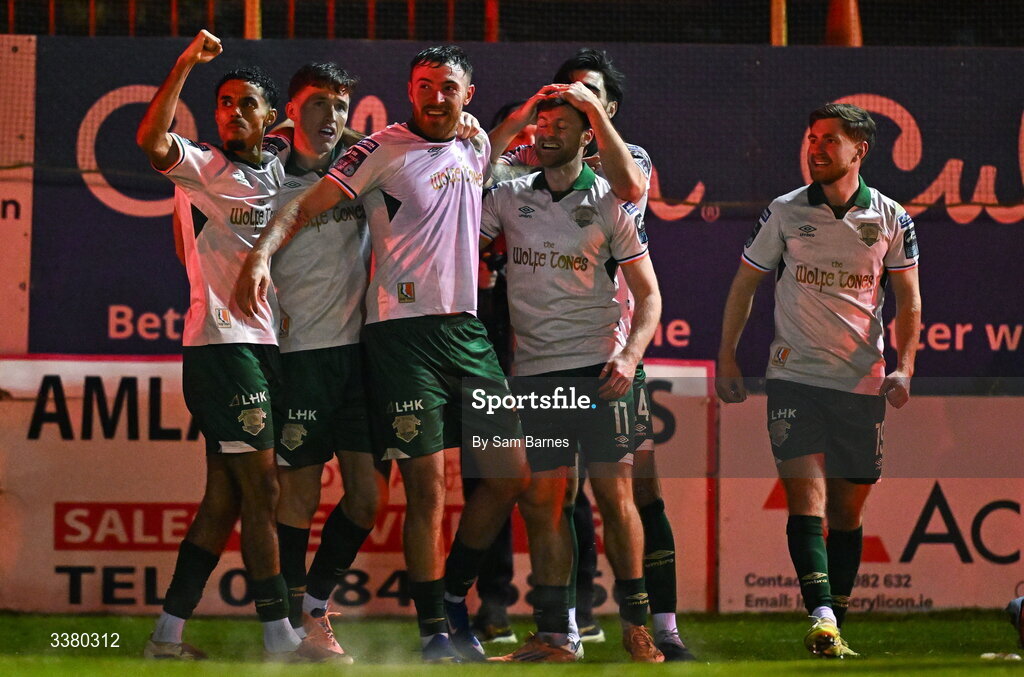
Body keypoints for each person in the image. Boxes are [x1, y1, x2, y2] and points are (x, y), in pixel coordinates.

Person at [235, 45, 531, 663]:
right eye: (424, 85)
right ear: (410, 90)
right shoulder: (378, 150)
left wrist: (532, 108)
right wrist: (260, 256)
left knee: (510, 474)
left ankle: (448, 599)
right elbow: (303, 201)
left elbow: (494, 145)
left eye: (448, 86)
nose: (436, 95)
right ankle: (423, 634)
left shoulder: (474, 147)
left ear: (465, 95)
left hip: (467, 332)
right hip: (397, 336)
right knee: (423, 491)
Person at [489, 48, 693, 661]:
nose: (555, 125)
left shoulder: (617, 179)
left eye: (580, 104)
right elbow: (473, 173)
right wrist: (534, 114)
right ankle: (560, 632)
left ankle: (649, 626)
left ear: (602, 115)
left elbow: (651, 289)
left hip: (609, 363)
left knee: (623, 496)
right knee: (547, 500)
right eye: (553, 111)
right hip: (538, 373)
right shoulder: (517, 182)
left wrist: (629, 356)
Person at [136, 30, 333, 661]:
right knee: (263, 490)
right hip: (222, 345)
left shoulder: (277, 168)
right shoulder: (202, 168)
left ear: (270, 116)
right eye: (224, 103)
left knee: (223, 499)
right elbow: (152, 142)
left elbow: (337, 146)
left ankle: (166, 637)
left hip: (262, 345)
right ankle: (280, 634)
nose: (232, 112)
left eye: (246, 103)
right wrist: (185, 66)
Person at [715, 103, 922, 658]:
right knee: (804, 499)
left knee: (847, 513)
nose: (817, 148)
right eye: (812, 138)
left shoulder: (892, 217)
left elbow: (908, 299)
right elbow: (744, 285)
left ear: (861, 151)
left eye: (831, 139)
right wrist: (727, 356)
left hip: (861, 382)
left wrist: (904, 365)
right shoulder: (784, 212)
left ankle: (836, 625)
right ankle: (822, 615)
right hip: (793, 376)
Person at [261, 62, 389, 664]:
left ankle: (314, 607)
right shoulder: (265, 176)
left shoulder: (359, 172)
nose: (331, 116)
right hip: (299, 357)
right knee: (298, 497)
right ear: (291, 110)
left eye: (340, 104)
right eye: (318, 103)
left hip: (357, 358)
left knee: (368, 498)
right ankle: (292, 626)